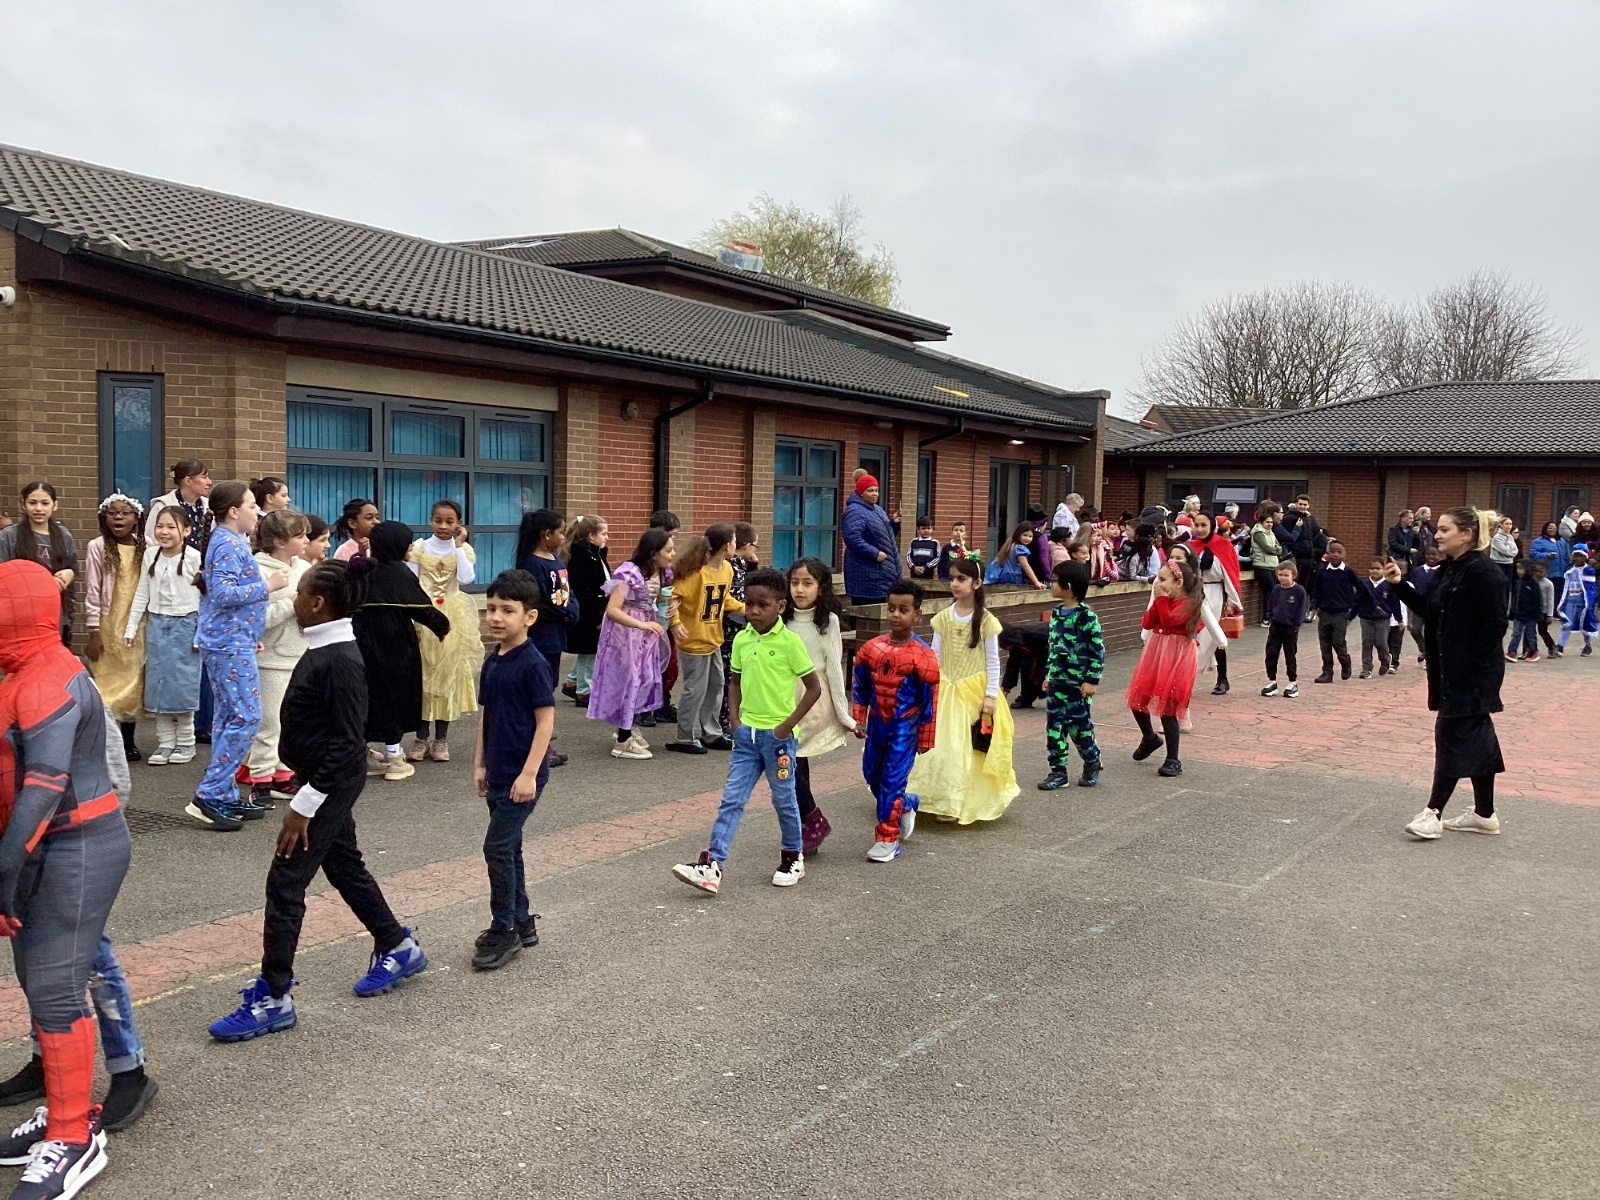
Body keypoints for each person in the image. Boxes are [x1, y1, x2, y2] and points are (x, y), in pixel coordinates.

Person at [208, 561, 427, 1042]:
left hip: (329, 784)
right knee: (344, 866)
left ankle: (274, 997)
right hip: (323, 780)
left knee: (285, 883)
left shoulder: (340, 659)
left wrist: (304, 804)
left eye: (300, 592)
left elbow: (348, 745)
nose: (295, 599)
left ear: (318, 603)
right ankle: (397, 945)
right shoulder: (324, 646)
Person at [0, 560, 133, 1195]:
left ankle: (74, 1137)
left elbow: (46, 783)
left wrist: (6, 866)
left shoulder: (48, 676)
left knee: (55, 988)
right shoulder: (24, 672)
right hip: (48, 847)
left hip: (75, 846)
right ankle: (61, 1111)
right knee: (41, 982)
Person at [0, 705, 158, 1135]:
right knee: (34, 964)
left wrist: (81, 841)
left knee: (91, 960)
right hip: (19, 852)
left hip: (70, 847)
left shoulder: (65, 689)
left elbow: (113, 781)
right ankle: (45, 1061)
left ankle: (129, 1070)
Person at [672, 569, 822, 894]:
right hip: (746, 738)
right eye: (749, 604)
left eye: (762, 605)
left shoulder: (790, 643)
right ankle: (712, 865)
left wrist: (785, 726)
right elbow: (735, 682)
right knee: (731, 800)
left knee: (784, 800)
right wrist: (735, 722)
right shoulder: (742, 639)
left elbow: (814, 689)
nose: (753, 611)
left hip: (778, 740)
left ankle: (793, 857)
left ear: (780, 606)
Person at [1385, 507, 1509, 839]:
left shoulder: (1485, 573)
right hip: (1449, 671)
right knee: (1478, 741)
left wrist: (1472, 665)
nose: (1436, 535)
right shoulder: (1449, 569)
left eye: (1444, 530)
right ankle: (1484, 814)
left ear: (1466, 534)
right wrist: (1398, 585)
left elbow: (1496, 623)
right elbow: (1430, 610)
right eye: (1437, 529)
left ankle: (1433, 813)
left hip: (1472, 676)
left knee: (1450, 738)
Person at [470, 571, 556, 971]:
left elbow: (545, 722)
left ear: (529, 617)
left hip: (524, 776)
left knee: (497, 848)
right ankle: (521, 921)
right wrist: (479, 763)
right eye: (491, 608)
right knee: (510, 848)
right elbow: (486, 715)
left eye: (507, 610)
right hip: (498, 771)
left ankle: (503, 927)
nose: (495, 617)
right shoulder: (493, 661)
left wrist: (529, 774)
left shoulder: (533, 664)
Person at [188, 482, 284, 831]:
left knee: (229, 717)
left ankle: (224, 793)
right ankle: (210, 792)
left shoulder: (230, 541)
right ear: (233, 511)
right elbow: (224, 594)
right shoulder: (227, 544)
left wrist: (249, 633)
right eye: (250, 506)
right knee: (246, 717)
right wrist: (268, 585)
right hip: (228, 644)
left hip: (232, 641)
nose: (256, 512)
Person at [907, 559, 1018, 823]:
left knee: (967, 747)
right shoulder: (943, 618)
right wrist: (927, 684)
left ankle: (956, 801)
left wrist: (990, 695)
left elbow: (993, 661)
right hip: (946, 688)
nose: (955, 584)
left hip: (973, 691)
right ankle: (937, 797)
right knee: (941, 745)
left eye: (961, 579)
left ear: (976, 584)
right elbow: (934, 655)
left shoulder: (986, 621)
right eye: (952, 578)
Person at [348, 522, 451, 782]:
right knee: (395, 695)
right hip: (396, 646)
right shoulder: (398, 572)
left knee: (368, 695)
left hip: (361, 644)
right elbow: (420, 608)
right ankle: (394, 757)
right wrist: (442, 625)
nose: (412, 546)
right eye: (408, 542)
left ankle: (362, 754)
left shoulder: (363, 570)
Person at [851, 580, 940, 863]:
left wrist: (926, 735)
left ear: (917, 614)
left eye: (903, 610)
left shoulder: (924, 656)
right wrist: (859, 717)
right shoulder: (872, 648)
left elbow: (930, 699)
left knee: (891, 780)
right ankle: (906, 803)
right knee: (872, 775)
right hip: (877, 723)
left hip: (905, 726)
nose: (895, 615)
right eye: (891, 609)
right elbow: (860, 685)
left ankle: (887, 838)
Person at [782, 558, 854, 856]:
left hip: (812, 697)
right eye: (795, 583)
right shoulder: (782, 616)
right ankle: (806, 822)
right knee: (795, 761)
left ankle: (813, 820)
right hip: (783, 696)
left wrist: (844, 715)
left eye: (807, 583)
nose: (799, 590)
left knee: (789, 760)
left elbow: (835, 669)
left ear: (821, 588)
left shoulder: (828, 622)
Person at [124, 504, 203, 765]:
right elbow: (142, 592)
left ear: (187, 530)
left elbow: (205, 597)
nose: (164, 532)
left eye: (171, 526)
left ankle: (186, 742)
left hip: (186, 624)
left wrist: (201, 632)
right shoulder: (151, 555)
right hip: (157, 624)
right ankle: (165, 742)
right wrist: (131, 627)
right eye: (160, 526)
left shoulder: (194, 557)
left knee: (183, 684)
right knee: (157, 683)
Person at [244, 510, 311, 811]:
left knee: (291, 721)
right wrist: (292, 603)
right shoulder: (257, 570)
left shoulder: (304, 567)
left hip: (300, 655)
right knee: (268, 722)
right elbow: (254, 620)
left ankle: (284, 774)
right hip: (270, 659)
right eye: (300, 536)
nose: (306, 541)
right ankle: (260, 780)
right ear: (279, 541)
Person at [586, 528, 674, 760]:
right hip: (624, 632)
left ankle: (627, 726)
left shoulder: (662, 572)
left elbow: (663, 597)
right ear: (654, 552)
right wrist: (641, 624)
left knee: (645, 678)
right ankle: (623, 740)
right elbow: (613, 610)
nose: (672, 555)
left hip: (645, 630)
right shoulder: (629, 573)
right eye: (668, 550)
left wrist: (670, 607)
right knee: (630, 680)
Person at [408, 500, 482, 763]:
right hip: (424, 615)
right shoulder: (419, 548)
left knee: (447, 676)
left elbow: (466, 578)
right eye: (438, 520)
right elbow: (412, 582)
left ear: (458, 523)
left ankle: (441, 738)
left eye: (449, 521)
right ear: (431, 520)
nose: (443, 526)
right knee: (423, 676)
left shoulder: (462, 549)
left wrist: (459, 545)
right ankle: (421, 737)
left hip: (452, 616)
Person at [666, 526, 744, 754]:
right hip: (693, 639)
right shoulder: (695, 572)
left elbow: (723, 599)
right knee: (695, 690)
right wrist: (675, 623)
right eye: (734, 540)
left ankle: (711, 732)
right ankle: (684, 737)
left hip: (713, 638)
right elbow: (673, 598)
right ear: (727, 545)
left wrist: (745, 609)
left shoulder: (726, 569)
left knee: (716, 685)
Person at [83, 495, 147, 762]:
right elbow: (92, 588)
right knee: (106, 681)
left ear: (136, 518)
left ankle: (128, 740)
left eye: (125, 513)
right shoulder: (97, 547)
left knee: (133, 680)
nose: (118, 517)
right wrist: (94, 630)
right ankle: (105, 739)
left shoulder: (146, 546)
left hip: (136, 622)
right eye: (112, 513)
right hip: (108, 622)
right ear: (103, 519)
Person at [1126, 559, 1202, 777]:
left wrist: (1160, 599)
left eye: (1163, 579)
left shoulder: (1188, 603)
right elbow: (1148, 622)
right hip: (1157, 651)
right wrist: (1158, 601)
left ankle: (1173, 758)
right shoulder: (1163, 600)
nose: (1158, 583)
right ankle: (1149, 737)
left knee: (1168, 706)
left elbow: (1170, 620)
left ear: (1179, 583)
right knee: (1138, 698)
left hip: (1177, 656)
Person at [515, 508, 579, 766]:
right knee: (539, 691)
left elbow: (567, 592)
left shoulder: (556, 560)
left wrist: (573, 610)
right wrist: (564, 614)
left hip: (556, 636)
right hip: (541, 636)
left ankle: (542, 740)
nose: (563, 537)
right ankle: (536, 746)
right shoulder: (532, 564)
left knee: (549, 686)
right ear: (546, 534)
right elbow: (540, 601)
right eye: (560, 532)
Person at [1037, 561, 1104, 791]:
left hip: (1077, 685)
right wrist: (1049, 674)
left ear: (1069, 586)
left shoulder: (1086, 616)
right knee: (1054, 728)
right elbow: (1054, 646)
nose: (1052, 584)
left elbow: (1097, 650)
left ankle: (1092, 760)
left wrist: (1091, 679)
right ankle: (1058, 771)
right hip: (1058, 682)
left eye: (1056, 581)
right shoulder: (1056, 613)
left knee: (1079, 728)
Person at [0, 483, 78, 646]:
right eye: (32, 502)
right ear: (23, 504)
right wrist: (45, 583)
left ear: (54, 505)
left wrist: (69, 574)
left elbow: (72, 570)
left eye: (45, 503)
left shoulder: (64, 536)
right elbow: (4, 576)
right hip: (21, 612)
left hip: (53, 613)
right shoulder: (9, 536)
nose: (38, 508)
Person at [1188, 512, 1242, 695]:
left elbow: (1231, 574)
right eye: (1197, 525)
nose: (1200, 529)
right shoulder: (1190, 547)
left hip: (1216, 594)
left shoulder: (1224, 546)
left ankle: (1222, 679)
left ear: (1212, 526)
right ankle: (1186, 676)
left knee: (1214, 635)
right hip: (1194, 594)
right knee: (1192, 635)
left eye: (1204, 525)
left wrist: (1232, 601)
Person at [562, 516, 610, 705]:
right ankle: (584, 691)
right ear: (591, 536)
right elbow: (585, 592)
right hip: (588, 615)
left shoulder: (595, 555)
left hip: (594, 611)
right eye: (603, 534)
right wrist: (596, 618)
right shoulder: (583, 559)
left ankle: (572, 682)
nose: (607, 538)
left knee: (588, 651)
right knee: (591, 652)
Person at [841, 471, 901, 605]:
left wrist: (894, 523)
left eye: (876, 490)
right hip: (866, 576)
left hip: (882, 575)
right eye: (870, 490)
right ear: (861, 493)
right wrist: (874, 553)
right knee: (866, 612)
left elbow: (883, 537)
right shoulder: (854, 511)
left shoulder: (878, 510)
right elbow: (852, 538)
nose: (875, 494)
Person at [1308, 540, 1360, 684]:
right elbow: (1316, 590)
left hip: (1341, 613)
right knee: (1324, 644)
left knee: (1338, 642)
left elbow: (1362, 589)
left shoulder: (1348, 572)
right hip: (1324, 612)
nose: (1336, 555)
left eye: (1339, 552)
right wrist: (1314, 606)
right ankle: (1327, 672)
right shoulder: (1322, 571)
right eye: (1333, 552)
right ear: (1327, 554)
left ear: (1345, 554)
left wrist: (1353, 609)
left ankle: (1345, 662)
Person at [1260, 562, 1307, 698]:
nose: (1282, 578)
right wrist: (1270, 617)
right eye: (1280, 575)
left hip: (1290, 628)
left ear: (1294, 576)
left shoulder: (1299, 591)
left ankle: (1292, 682)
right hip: (1275, 626)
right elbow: (1270, 604)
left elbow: (1301, 609)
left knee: (1290, 654)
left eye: (1286, 575)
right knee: (1271, 653)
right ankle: (1272, 681)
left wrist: (1296, 625)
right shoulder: (1276, 589)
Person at [143, 458, 210, 547]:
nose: (209, 482)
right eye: (204, 477)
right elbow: (151, 541)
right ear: (188, 481)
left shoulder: (210, 506)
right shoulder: (162, 506)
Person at [1354, 558, 1403, 677]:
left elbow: (1395, 603)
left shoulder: (1388, 585)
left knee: (1380, 642)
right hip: (1366, 618)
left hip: (1383, 619)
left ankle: (1385, 660)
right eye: (1372, 568)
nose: (1374, 571)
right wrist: (1350, 617)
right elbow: (1357, 602)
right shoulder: (1364, 585)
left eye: (1378, 568)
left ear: (1384, 569)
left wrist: (1399, 619)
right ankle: (1366, 668)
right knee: (1367, 642)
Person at [1555, 545, 1595, 656]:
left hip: (1583, 603)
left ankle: (1588, 645)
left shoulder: (1588, 571)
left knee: (1585, 623)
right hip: (1570, 601)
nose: (1577, 558)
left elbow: (1590, 589)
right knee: (1567, 623)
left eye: (1580, 556)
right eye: (1575, 556)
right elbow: (1565, 587)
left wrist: (1589, 604)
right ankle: (1560, 646)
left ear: (1585, 557)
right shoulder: (1568, 570)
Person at [999, 621, 1049, 710]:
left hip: (1051, 648)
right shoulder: (1016, 645)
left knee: (1043, 675)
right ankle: (1026, 698)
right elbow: (1012, 667)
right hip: (1037, 654)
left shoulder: (1033, 635)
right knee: (1027, 668)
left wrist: (1043, 674)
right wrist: (1004, 693)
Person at [1405, 546, 1443, 663]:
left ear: (1440, 556)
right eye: (1428, 554)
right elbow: (1412, 588)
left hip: (1435, 607)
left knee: (1432, 632)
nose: (1431, 557)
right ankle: (1424, 650)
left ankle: (1431, 657)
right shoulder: (1417, 571)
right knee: (1415, 629)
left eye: (1434, 554)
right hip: (1419, 605)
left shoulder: (1442, 571)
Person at [1280, 495, 1328, 584]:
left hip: (1308, 557)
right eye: (1300, 504)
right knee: (1292, 582)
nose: (1302, 506)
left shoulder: (1309, 518)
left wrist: (1315, 550)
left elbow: (1317, 534)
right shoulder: (1289, 518)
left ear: (1308, 506)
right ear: (1296, 504)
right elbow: (1287, 537)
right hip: (1295, 557)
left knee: (1305, 584)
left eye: (1305, 505)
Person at [1250, 503, 1283, 624]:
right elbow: (1267, 548)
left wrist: (1276, 550)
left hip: (1272, 565)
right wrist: (1276, 550)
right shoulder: (1258, 533)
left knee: (1275, 591)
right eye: (1267, 522)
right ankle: (1266, 618)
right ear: (1261, 523)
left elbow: (1279, 547)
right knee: (1269, 591)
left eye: (1271, 522)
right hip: (1261, 565)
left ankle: (1272, 615)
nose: (1270, 524)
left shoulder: (1271, 533)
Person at [985, 522, 1046, 589]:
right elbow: (1025, 566)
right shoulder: (1020, 549)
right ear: (1018, 534)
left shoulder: (1012, 544)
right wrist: (1036, 581)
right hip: (1014, 577)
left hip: (1005, 574)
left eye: (1030, 536)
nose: (1027, 538)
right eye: (1025, 535)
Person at [1505, 559, 1543, 663]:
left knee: (1530, 634)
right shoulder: (1518, 582)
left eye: (1521, 569)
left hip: (1531, 615)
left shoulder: (1533, 583)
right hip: (1518, 615)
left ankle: (1533, 652)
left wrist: (1538, 615)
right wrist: (1512, 612)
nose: (1519, 571)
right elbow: (1515, 599)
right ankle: (1512, 652)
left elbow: (1538, 600)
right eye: (1517, 568)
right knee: (1516, 634)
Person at [332, 498, 380, 563]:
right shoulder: (344, 552)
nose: (376, 522)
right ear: (352, 523)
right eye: (369, 518)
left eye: (377, 518)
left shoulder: (380, 547)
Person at [1532, 560, 1558, 658]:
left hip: (1544, 611)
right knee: (1529, 631)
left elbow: (1551, 600)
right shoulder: (1532, 581)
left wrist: (1550, 615)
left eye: (1540, 571)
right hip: (1533, 610)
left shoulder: (1548, 584)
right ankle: (1529, 650)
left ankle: (1552, 647)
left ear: (1546, 572)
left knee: (1542, 631)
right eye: (1535, 571)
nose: (1537, 573)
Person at [1489, 516, 1520, 584]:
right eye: (1506, 524)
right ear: (1501, 525)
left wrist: (1510, 554)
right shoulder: (1497, 537)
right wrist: (1509, 543)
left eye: (1510, 524)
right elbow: (1505, 551)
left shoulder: (1510, 536)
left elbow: (1516, 550)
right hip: (1499, 564)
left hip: (1509, 563)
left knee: (1508, 585)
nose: (1509, 526)